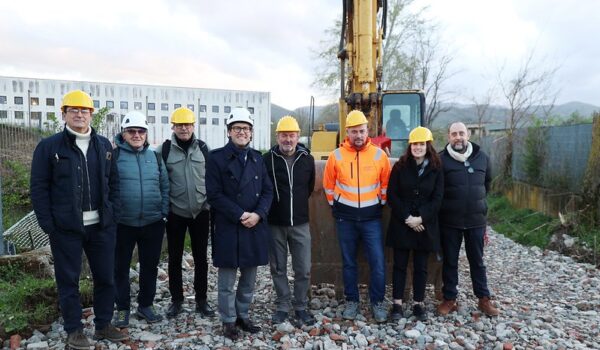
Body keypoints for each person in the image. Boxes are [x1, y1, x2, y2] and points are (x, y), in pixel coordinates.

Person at [30, 90, 128, 349]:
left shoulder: (104, 145)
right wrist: (49, 225)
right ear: (63, 114)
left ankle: (104, 325)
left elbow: (114, 183)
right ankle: (74, 330)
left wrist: (113, 214)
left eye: (84, 110)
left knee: (106, 277)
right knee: (68, 280)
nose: (79, 114)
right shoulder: (49, 147)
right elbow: (39, 188)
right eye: (73, 110)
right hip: (66, 228)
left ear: (91, 114)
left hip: (101, 226)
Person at [206, 107, 273, 340]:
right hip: (229, 225)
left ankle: (243, 315)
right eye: (237, 128)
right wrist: (240, 214)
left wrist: (258, 214)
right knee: (226, 280)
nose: (242, 132)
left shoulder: (257, 158)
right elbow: (213, 194)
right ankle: (228, 320)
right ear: (229, 132)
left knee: (249, 277)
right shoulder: (215, 158)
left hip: (254, 225)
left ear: (251, 132)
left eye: (245, 128)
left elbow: (267, 191)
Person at [323, 110, 391, 323]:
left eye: (361, 131)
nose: (358, 135)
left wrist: (379, 202)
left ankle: (377, 302)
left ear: (367, 131)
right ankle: (352, 301)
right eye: (354, 132)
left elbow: (385, 184)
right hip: (346, 219)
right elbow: (328, 185)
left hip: (371, 219)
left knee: (377, 262)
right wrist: (338, 205)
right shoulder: (336, 156)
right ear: (347, 133)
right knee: (349, 262)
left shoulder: (380, 155)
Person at [155, 107, 214, 318]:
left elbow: (211, 179)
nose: (183, 128)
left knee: (201, 258)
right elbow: (159, 180)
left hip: (200, 212)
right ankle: (176, 300)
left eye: (187, 125)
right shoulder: (164, 150)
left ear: (193, 126)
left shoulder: (204, 149)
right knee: (174, 258)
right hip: (175, 213)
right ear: (173, 127)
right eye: (179, 125)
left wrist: (209, 204)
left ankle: (201, 300)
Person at [112, 111, 169, 327]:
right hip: (123, 223)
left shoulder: (155, 157)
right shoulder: (114, 156)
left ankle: (146, 305)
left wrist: (163, 212)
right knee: (120, 267)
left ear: (146, 133)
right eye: (132, 131)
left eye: (141, 131)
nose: (137, 135)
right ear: (124, 133)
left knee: (149, 267)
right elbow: (108, 187)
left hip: (152, 222)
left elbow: (164, 184)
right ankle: (122, 309)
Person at [436, 122, 500, 317]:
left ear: (468, 134)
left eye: (461, 133)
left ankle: (483, 299)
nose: (458, 137)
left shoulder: (482, 158)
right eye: (454, 134)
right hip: (449, 221)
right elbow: (437, 190)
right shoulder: (440, 160)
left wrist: (477, 203)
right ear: (448, 137)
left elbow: (487, 184)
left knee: (477, 261)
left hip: (476, 221)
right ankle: (449, 299)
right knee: (450, 262)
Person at [386, 126, 444, 321]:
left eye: (421, 144)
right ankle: (397, 304)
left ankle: (418, 304)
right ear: (410, 146)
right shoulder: (400, 167)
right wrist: (408, 218)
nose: (417, 147)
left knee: (421, 267)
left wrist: (421, 218)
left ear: (428, 145)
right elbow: (392, 195)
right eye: (414, 144)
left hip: (424, 226)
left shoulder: (437, 169)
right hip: (403, 224)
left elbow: (437, 198)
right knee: (400, 265)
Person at [263, 116, 316, 325]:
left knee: (303, 268)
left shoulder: (307, 159)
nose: (288, 139)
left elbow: (310, 187)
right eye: (284, 135)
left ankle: (301, 306)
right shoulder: (267, 159)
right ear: (277, 136)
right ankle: (283, 305)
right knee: (278, 268)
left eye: (292, 135)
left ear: (297, 136)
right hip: (275, 223)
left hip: (300, 223)